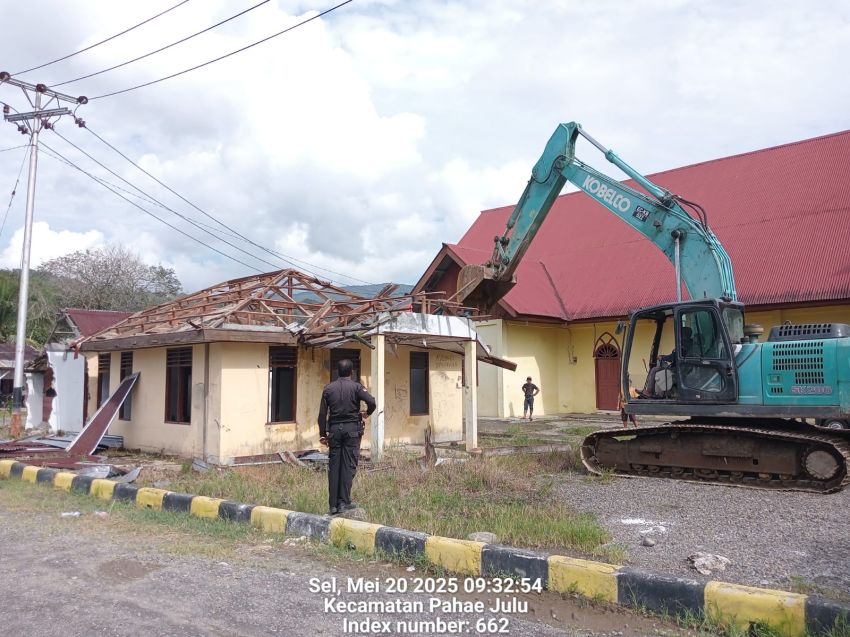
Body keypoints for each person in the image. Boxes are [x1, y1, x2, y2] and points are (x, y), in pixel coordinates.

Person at [318, 358, 376, 516]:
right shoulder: (357, 387)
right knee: (348, 465)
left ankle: (333, 506)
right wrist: (367, 413)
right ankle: (343, 502)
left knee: (334, 466)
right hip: (351, 430)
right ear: (351, 372)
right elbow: (372, 402)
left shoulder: (328, 388)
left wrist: (323, 434)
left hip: (335, 431)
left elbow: (322, 414)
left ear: (337, 372)